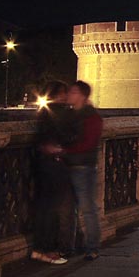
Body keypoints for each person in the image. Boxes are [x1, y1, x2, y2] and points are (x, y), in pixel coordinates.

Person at [31, 81, 75, 264]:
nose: (67, 95)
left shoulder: (43, 114)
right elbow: (69, 137)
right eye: (65, 92)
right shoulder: (62, 113)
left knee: (46, 209)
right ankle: (50, 250)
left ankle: (41, 249)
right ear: (58, 94)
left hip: (44, 165)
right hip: (56, 166)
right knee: (57, 211)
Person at [62, 80, 103, 260]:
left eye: (73, 92)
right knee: (67, 210)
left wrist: (64, 150)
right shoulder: (69, 115)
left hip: (83, 167)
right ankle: (70, 246)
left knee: (87, 210)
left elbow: (88, 143)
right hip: (67, 166)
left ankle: (92, 247)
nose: (69, 95)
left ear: (82, 96)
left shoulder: (92, 117)